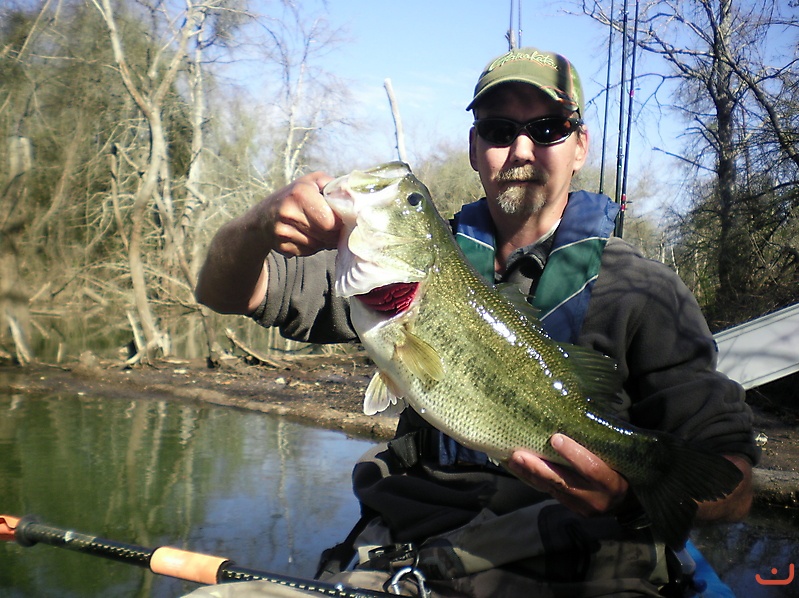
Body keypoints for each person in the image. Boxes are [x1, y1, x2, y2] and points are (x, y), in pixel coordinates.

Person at [193, 47, 758, 597]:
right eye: (496, 129)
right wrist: (257, 227)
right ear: (473, 147)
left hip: (576, 559)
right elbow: (222, 292)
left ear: (580, 145)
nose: (520, 149)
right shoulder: (383, 277)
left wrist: (632, 496)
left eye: (548, 128)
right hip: (413, 549)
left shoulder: (646, 292)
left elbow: (732, 483)